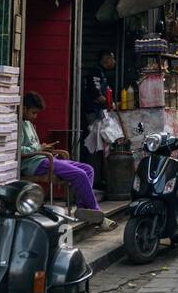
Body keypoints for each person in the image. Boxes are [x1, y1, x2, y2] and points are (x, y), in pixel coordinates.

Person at [20, 92, 115, 230]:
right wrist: (40, 147)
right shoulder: (17, 125)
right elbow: (18, 150)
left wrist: (43, 148)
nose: (35, 117)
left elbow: (34, 146)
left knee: (88, 169)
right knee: (79, 175)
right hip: (33, 163)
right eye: (33, 112)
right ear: (23, 108)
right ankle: (97, 213)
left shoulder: (29, 123)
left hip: (43, 158)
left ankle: (83, 209)